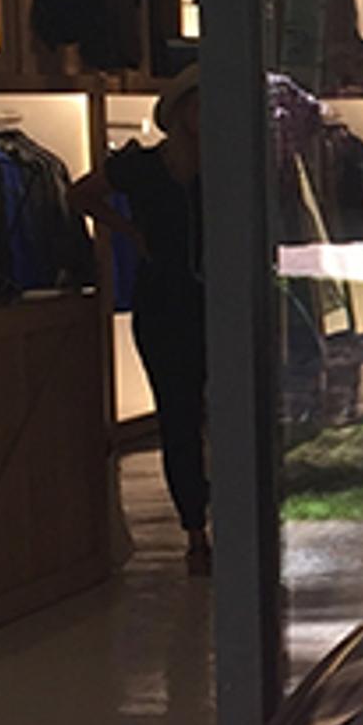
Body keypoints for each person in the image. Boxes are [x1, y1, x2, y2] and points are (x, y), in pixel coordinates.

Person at [76, 67, 210, 572]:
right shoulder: (143, 166)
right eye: (197, 105)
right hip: (164, 303)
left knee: (227, 414)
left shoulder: (227, 166)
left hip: (216, 301)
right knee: (178, 415)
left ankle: (224, 514)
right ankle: (194, 529)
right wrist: (129, 231)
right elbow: (80, 192)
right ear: (180, 112)